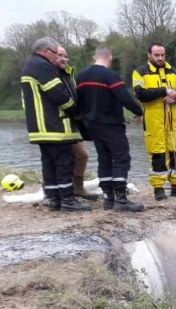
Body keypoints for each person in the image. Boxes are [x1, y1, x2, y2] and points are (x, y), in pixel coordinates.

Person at [20, 37, 90, 212]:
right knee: (64, 162)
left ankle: (53, 198)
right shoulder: (41, 66)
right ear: (46, 51)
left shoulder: (30, 65)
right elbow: (58, 94)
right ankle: (68, 199)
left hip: (40, 127)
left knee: (49, 163)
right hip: (54, 125)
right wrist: (75, 111)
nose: (56, 57)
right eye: (54, 53)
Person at [76, 45, 145, 212]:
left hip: (92, 125)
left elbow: (78, 101)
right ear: (110, 57)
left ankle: (108, 198)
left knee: (104, 159)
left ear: (95, 57)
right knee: (121, 158)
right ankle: (121, 199)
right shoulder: (110, 75)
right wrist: (138, 111)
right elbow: (123, 96)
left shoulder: (81, 76)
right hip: (111, 124)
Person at [132, 43, 176, 201]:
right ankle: (158, 189)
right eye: (157, 55)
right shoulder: (140, 72)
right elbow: (141, 94)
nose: (160, 58)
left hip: (173, 118)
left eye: (162, 55)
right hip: (153, 119)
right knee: (157, 154)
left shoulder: (173, 71)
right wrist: (163, 91)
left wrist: (175, 98)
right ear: (149, 55)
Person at [55, 45, 99, 201]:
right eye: (59, 55)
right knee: (59, 158)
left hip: (72, 121)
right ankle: (57, 190)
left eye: (65, 56)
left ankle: (77, 188)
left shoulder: (69, 74)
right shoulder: (48, 75)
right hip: (54, 124)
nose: (62, 59)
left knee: (82, 154)